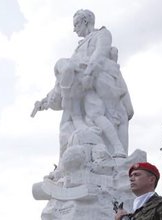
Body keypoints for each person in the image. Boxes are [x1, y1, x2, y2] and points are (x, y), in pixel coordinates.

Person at [33, 9, 133, 157]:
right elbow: (62, 79)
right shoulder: (77, 49)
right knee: (88, 118)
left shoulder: (102, 34)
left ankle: (117, 150)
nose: (74, 30)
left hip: (98, 82)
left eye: (76, 24)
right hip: (81, 88)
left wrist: (88, 74)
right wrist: (45, 101)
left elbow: (100, 53)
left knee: (98, 115)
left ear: (85, 21)